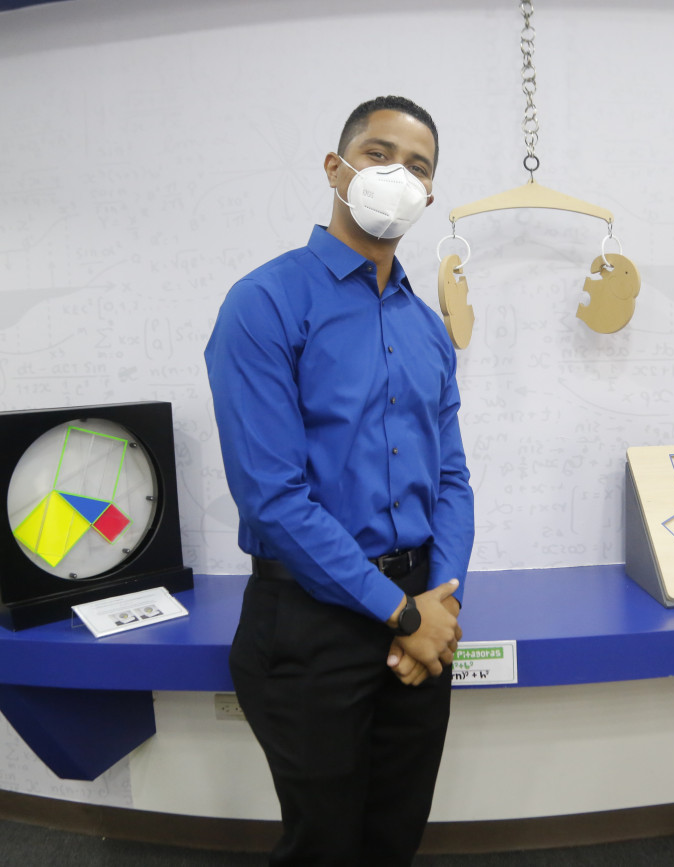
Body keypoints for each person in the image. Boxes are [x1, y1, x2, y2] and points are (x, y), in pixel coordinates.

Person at [204, 95, 475, 866]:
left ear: (430, 194)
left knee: (395, 834)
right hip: (309, 622)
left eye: (417, 167)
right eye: (379, 154)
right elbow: (273, 498)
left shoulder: (428, 330)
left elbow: (452, 477)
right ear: (337, 167)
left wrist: (440, 603)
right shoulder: (264, 303)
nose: (397, 175)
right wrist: (401, 614)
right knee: (324, 845)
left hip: (420, 605)